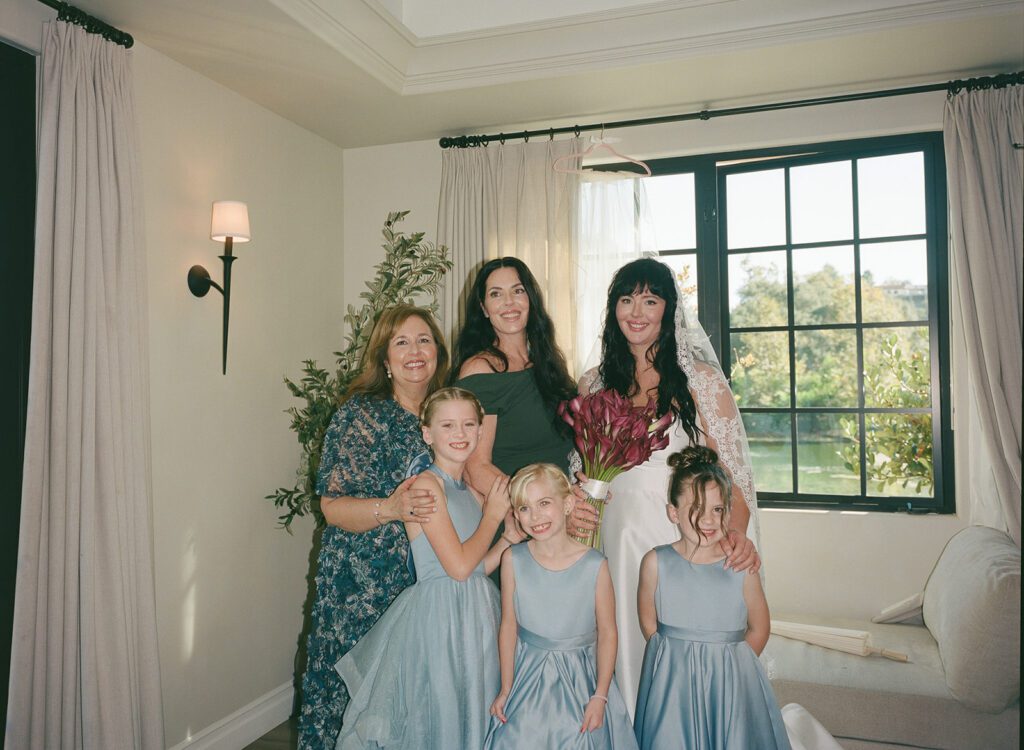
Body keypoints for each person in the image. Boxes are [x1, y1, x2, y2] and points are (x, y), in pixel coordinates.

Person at [574, 257, 761, 709]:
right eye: (626, 300)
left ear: (669, 310)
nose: (636, 312)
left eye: (649, 300)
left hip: (685, 539)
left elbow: (735, 479)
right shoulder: (592, 384)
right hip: (615, 540)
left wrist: (729, 541)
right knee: (621, 647)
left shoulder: (703, 382)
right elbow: (581, 474)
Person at [297, 305, 449, 750]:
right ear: (384, 358)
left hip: (423, 582)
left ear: (438, 350)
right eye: (401, 342)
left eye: (423, 340)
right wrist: (392, 507)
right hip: (361, 587)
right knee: (357, 708)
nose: (415, 351)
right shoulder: (361, 415)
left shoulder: (445, 414)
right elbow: (331, 506)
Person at [334, 387, 520, 749]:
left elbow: (477, 566)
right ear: (427, 433)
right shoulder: (426, 485)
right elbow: (458, 567)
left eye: (469, 424)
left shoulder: (468, 491)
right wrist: (494, 515)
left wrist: (506, 540)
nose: (460, 434)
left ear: (481, 432)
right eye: (447, 425)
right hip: (439, 622)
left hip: (476, 616)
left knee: (473, 709)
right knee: (439, 715)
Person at [633, 446, 789, 750]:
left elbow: (759, 627)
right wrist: (672, 661)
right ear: (673, 512)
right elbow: (648, 621)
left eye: (717, 510)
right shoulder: (655, 562)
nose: (708, 519)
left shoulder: (740, 567)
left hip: (729, 682)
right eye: (696, 508)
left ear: (727, 513)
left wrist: (732, 666)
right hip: (673, 684)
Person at [484, 464, 637, 750]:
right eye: (524, 508)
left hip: (582, 683)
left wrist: (600, 695)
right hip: (528, 681)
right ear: (515, 515)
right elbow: (508, 627)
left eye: (544, 503)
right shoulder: (512, 559)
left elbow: (607, 633)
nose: (535, 516)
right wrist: (506, 688)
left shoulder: (595, 564)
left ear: (567, 504)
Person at [451, 257, 576, 492]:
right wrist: (532, 507)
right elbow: (476, 468)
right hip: (520, 516)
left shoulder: (547, 364)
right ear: (484, 309)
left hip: (561, 509)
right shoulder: (480, 370)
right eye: (496, 294)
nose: (509, 302)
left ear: (531, 299)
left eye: (518, 291)